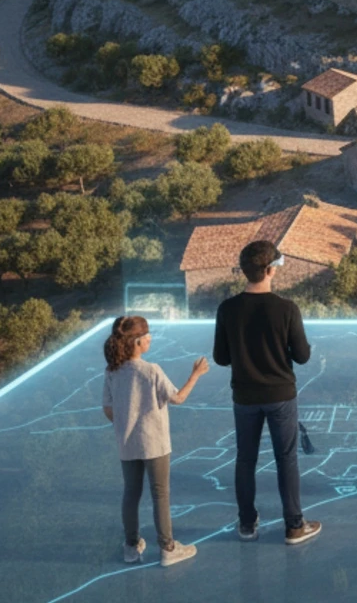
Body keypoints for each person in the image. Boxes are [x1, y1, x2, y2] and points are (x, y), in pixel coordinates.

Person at [213, 239, 321, 546]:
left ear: (245, 271)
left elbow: (221, 358)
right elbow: (302, 356)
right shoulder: (286, 309)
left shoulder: (227, 309)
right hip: (280, 396)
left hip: (244, 397)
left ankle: (247, 524)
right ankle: (294, 526)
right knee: (286, 459)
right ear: (271, 270)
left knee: (244, 460)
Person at [102, 316, 208, 567]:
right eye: (148, 335)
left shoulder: (112, 372)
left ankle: (131, 547)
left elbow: (108, 408)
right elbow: (178, 398)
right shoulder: (152, 371)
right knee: (160, 494)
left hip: (127, 444)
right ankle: (168, 548)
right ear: (138, 342)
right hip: (155, 444)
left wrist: (123, 424)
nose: (151, 339)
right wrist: (196, 374)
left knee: (131, 493)